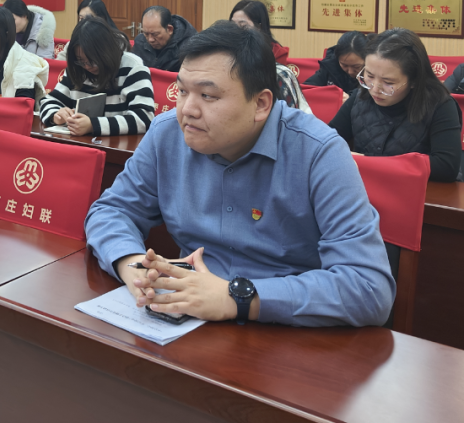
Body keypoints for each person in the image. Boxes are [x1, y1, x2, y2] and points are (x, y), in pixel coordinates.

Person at [85, 21, 394, 327]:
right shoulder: (167, 134)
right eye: (183, 91)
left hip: (284, 330)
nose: (187, 109)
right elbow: (111, 211)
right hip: (187, 320)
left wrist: (237, 297)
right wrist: (133, 266)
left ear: (260, 104)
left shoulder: (318, 152)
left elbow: (368, 287)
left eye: (208, 96)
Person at [329, 29, 461, 182]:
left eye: (388, 82)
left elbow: (446, 166)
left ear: (414, 80)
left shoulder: (440, 105)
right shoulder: (361, 96)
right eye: (369, 76)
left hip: (421, 191)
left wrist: (370, 162)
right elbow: (328, 140)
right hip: (369, 188)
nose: (375, 89)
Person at [40, 18, 154, 136]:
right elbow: (48, 102)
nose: (87, 66)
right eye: (81, 60)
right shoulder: (77, 69)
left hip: (118, 144)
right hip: (79, 143)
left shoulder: (132, 67)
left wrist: (93, 125)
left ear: (107, 52)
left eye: (93, 61)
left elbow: (145, 118)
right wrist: (56, 115)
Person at [229, 0, 309, 113]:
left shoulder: (276, 56)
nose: (236, 31)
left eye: (243, 25)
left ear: (259, 27)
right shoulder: (225, 53)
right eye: (232, 25)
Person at [133, 6, 196, 72]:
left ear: (169, 29)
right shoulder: (140, 42)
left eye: (155, 34)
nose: (150, 40)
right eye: (146, 34)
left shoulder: (189, 47)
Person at [229, 0, 289, 64]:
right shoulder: (227, 47)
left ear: (259, 27)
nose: (236, 29)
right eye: (233, 24)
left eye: (243, 25)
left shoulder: (276, 52)